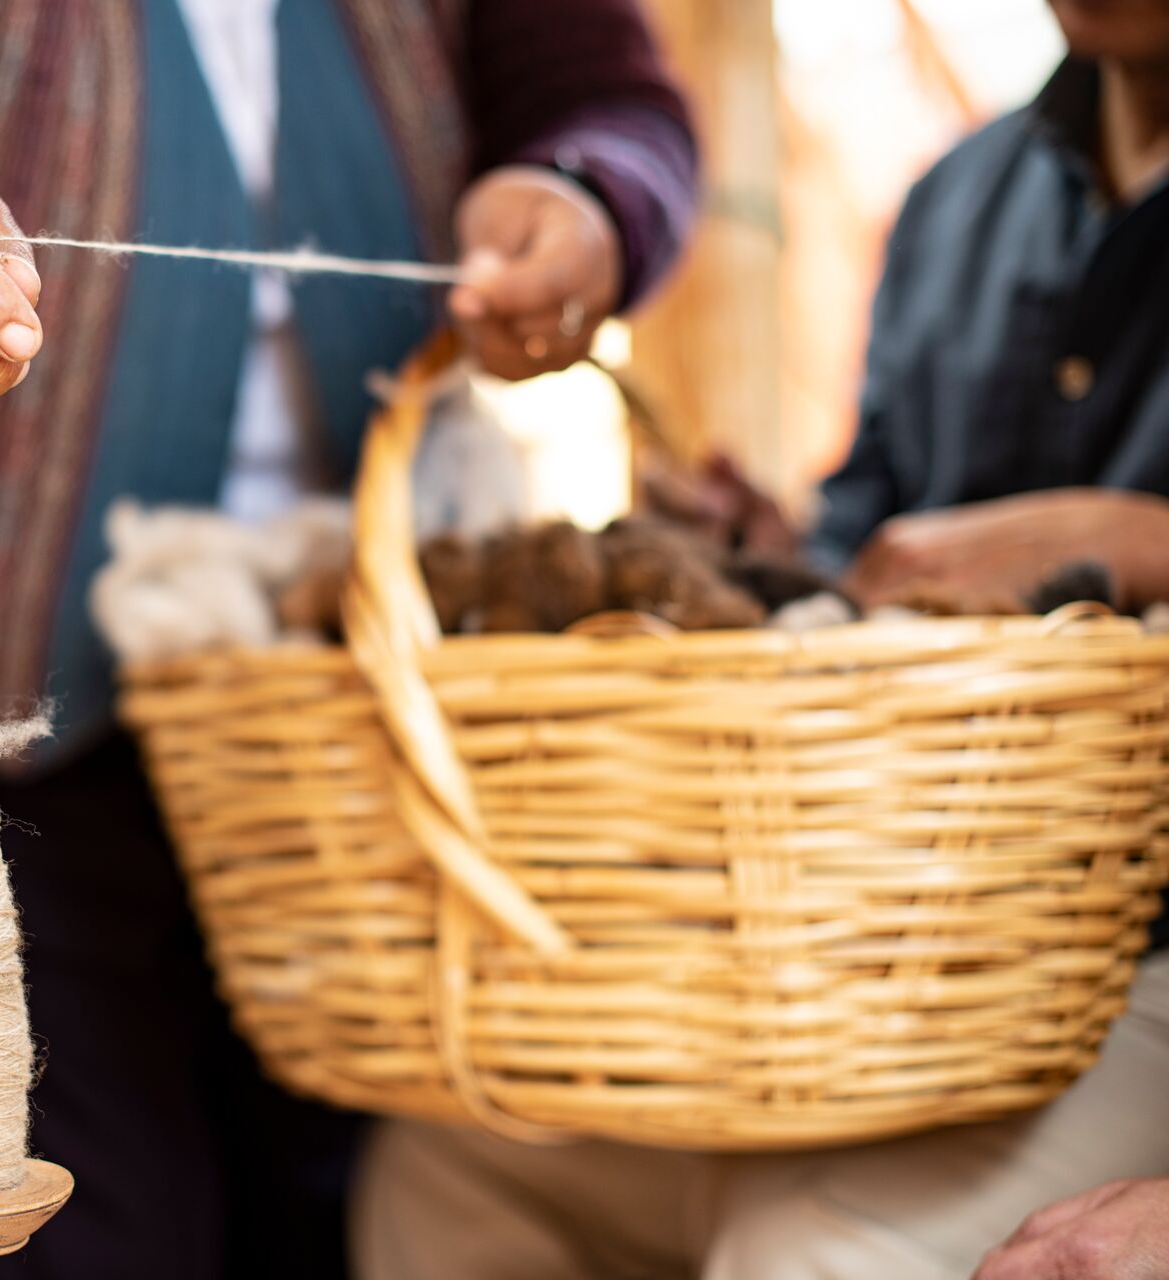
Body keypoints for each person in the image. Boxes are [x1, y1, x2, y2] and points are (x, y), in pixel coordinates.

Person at [0, 1, 697, 1274]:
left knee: (339, 1182)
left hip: (346, 677)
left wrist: (582, 202)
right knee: (105, 1217)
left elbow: (619, 112)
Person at [351, 2, 1169, 1277]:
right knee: (454, 1161)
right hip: (909, 941)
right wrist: (762, 551)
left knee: (812, 1248)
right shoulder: (961, 198)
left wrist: (1127, 535)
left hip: (1134, 972)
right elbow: (871, 556)